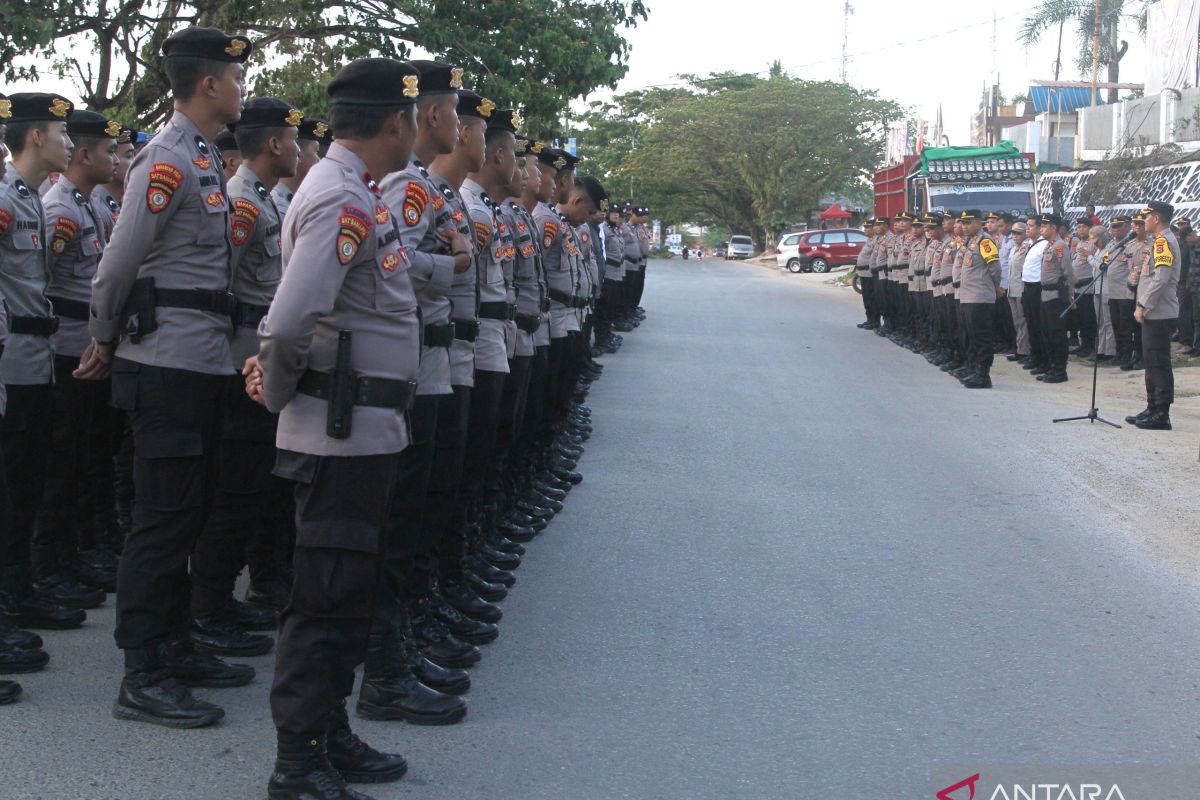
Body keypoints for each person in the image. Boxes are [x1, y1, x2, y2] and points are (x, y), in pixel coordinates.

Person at [250, 56, 421, 800]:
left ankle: (330, 730)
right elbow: (288, 322)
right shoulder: (341, 201)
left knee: (346, 592)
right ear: (396, 123)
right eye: (415, 118)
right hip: (336, 432)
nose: (417, 130)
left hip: (362, 432)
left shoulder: (357, 193)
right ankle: (298, 760)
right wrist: (281, 392)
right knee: (323, 600)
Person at [85, 26, 253, 728]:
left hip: (201, 359)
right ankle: (142, 672)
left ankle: (176, 645)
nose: (244, 88)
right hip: (165, 364)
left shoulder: (205, 158)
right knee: (160, 520)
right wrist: (101, 335)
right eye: (236, 78)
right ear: (208, 84)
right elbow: (121, 262)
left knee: (188, 510)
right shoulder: (165, 158)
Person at [188, 97, 303, 660]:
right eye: (294, 137)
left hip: (256, 359)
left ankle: (228, 594)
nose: (302, 148)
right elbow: (223, 283)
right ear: (274, 144)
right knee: (235, 491)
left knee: (256, 486)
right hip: (240, 362)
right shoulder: (242, 203)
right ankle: (207, 603)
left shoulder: (260, 200)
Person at [0, 91, 78, 697]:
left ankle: (17, 594)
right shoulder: (3, 200)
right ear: (33, 138)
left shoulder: (30, 200)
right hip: (12, 359)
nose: (70, 143)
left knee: (25, 481)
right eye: (60, 132)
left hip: (36, 356)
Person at [35, 109, 120, 608]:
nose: (114, 159)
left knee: (85, 458)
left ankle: (70, 551)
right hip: (65, 351)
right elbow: (36, 282)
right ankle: (49, 561)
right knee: (59, 461)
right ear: (87, 156)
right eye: (108, 150)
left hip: (83, 348)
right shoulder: (61, 210)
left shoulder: (86, 205)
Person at [1125, 201, 1180, 430]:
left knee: (1158, 363)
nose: (1143, 222)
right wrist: (1134, 282)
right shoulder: (1157, 242)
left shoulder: (1163, 242)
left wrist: (1142, 305)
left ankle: (1161, 414)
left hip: (1159, 312)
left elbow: (1161, 280)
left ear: (1156, 218)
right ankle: (1152, 407)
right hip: (1154, 312)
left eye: (1146, 217)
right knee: (1151, 362)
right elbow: (1151, 276)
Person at [956, 210, 1001, 388]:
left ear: (978, 222)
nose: (964, 226)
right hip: (968, 296)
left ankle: (983, 375)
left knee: (982, 337)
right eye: (963, 223)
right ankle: (974, 370)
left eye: (968, 223)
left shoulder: (985, 241)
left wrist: (995, 287)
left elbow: (995, 269)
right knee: (971, 335)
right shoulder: (971, 242)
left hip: (980, 296)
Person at [271, 117, 329, 221]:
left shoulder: (294, 201)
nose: (319, 161)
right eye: (316, 152)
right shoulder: (278, 205)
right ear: (300, 154)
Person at [1037, 213, 1071, 384]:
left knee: (1057, 334)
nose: (1041, 229)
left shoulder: (1060, 246)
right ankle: (1051, 367)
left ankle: (1059, 369)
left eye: (1044, 226)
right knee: (1047, 333)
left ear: (1053, 228)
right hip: (1045, 295)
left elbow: (1068, 273)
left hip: (1056, 296)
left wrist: (1070, 296)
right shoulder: (1048, 246)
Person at [1021, 215, 1049, 377]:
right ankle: (1035, 355)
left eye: (1031, 226)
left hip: (1038, 287)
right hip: (1027, 287)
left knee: (1039, 326)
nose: (1027, 228)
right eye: (1027, 225)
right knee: (1030, 324)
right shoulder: (1029, 244)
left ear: (1039, 228)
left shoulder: (1044, 245)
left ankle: (1042, 359)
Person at [1005, 222, 1030, 364]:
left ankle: (1024, 350)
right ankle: (1020, 348)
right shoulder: (1014, 248)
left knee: (1023, 321)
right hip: (1012, 288)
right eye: (1013, 233)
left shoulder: (1026, 247)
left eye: (1018, 233)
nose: (1015, 236)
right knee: (1016, 322)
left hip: (1021, 288)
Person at [856, 218, 880, 329]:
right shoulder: (869, 240)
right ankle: (869, 319)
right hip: (863, 273)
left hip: (870, 274)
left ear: (873, 228)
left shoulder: (876, 240)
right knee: (866, 298)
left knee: (872, 298)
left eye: (867, 227)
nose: (865, 230)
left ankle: (875, 321)